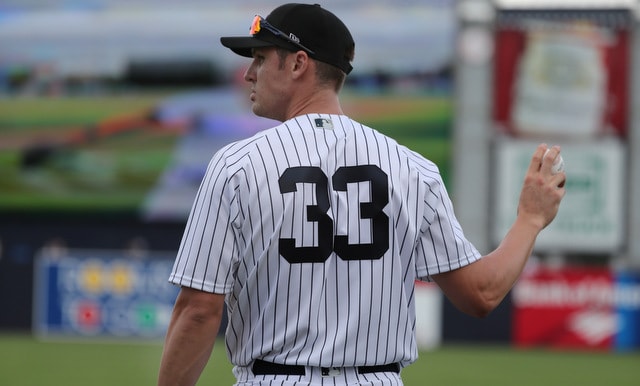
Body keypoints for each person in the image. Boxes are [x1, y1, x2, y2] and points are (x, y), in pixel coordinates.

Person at [158, 3, 566, 386]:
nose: (249, 73)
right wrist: (529, 220)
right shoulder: (414, 169)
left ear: (299, 63)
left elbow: (198, 310)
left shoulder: (236, 165)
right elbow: (481, 294)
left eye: (261, 58)